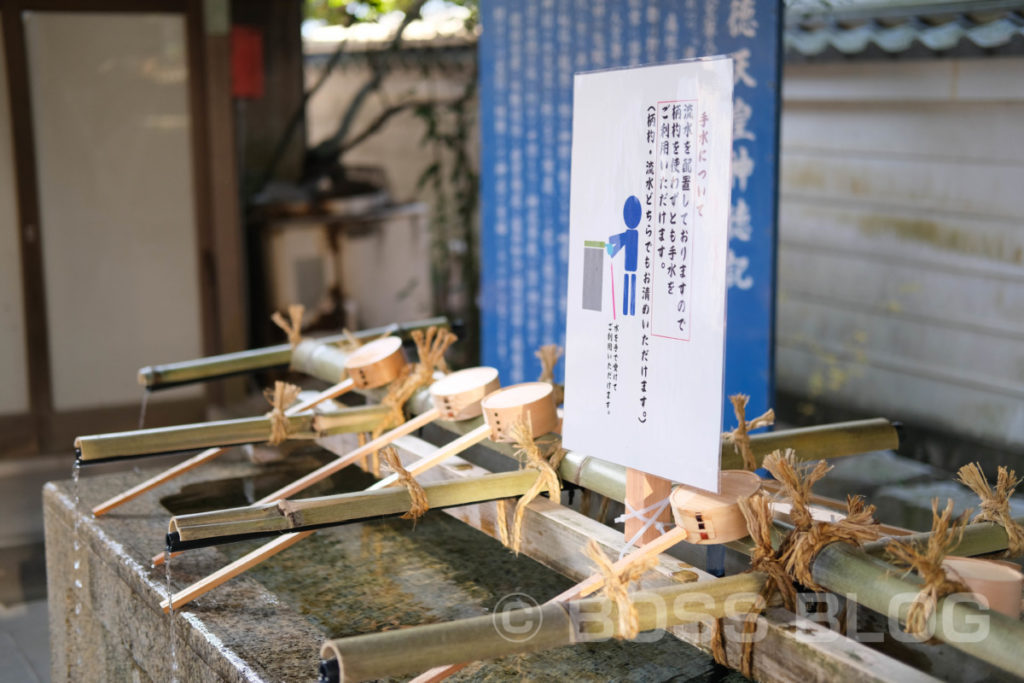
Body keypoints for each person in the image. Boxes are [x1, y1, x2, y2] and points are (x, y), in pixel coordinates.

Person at [606, 195, 641, 316]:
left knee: (630, 285)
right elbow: (613, 243)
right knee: (629, 285)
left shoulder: (632, 234)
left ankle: (629, 310)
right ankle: (628, 310)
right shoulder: (632, 233)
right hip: (631, 265)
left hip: (631, 265)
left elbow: (613, 243)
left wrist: (610, 249)